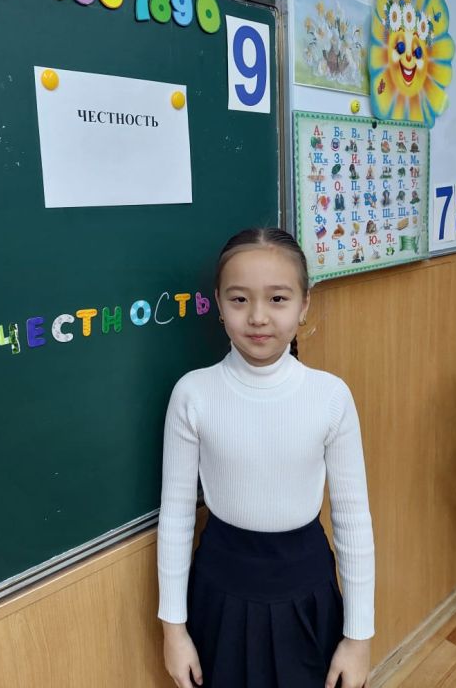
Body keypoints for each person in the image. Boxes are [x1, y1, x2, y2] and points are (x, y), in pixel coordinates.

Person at [157, 227, 375, 688]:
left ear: (304, 304)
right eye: (239, 299)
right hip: (219, 589)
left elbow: (353, 518)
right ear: (218, 304)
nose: (258, 317)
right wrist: (173, 629)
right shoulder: (192, 394)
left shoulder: (330, 396)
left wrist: (359, 638)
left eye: (278, 299)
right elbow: (175, 517)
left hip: (307, 587)